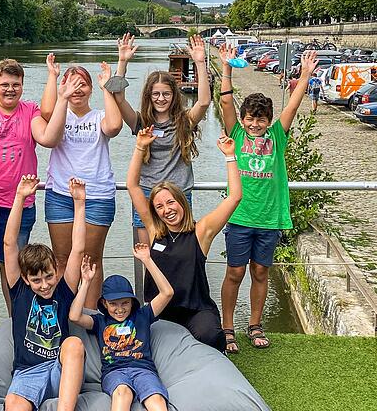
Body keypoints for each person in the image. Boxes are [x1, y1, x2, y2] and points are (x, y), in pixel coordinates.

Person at [0, 52, 78, 349]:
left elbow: (48, 138)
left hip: (18, 206)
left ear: (22, 86)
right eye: (5, 84)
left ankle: (18, 321)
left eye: (15, 84)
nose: (10, 89)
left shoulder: (30, 111)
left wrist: (61, 99)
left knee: (14, 269)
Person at [218, 49, 319, 353]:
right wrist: (226, 68)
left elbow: (294, 104)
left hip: (269, 217)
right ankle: (227, 328)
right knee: (234, 272)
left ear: (268, 121)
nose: (255, 125)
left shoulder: (277, 135)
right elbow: (225, 101)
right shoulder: (235, 131)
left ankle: (255, 324)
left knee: (260, 272)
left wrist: (304, 75)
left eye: (260, 120)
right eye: (250, 119)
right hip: (239, 216)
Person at [127, 126, 242, 351]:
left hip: (195, 310)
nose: (166, 210)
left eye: (170, 202)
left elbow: (235, 197)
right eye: (159, 206)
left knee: (210, 337)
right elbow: (132, 186)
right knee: (145, 346)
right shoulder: (154, 231)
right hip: (161, 309)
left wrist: (230, 156)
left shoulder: (201, 231)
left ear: (182, 202)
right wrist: (140, 147)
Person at [38, 55, 126, 310]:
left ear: (90, 89)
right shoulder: (59, 115)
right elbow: (45, 112)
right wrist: (54, 79)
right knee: (62, 259)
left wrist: (106, 87)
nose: (77, 89)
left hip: (96, 196)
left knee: (91, 259)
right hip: (60, 196)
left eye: (82, 84)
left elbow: (114, 126)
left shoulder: (99, 116)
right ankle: (64, 314)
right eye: (72, 84)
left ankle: (89, 317)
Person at [112, 33, 211, 252]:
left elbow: (204, 102)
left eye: (166, 94)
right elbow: (118, 97)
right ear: (148, 96)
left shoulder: (184, 122)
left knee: (179, 253)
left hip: (179, 194)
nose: (160, 98)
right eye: (155, 94)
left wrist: (200, 63)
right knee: (149, 254)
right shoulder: (140, 122)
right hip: (147, 193)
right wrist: (122, 62)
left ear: (174, 96)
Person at [3, 175, 86, 411]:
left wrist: (79, 202)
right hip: (27, 373)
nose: (45, 285)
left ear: (56, 272)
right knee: (14, 403)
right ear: (25, 279)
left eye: (49, 276)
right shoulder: (19, 291)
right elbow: (10, 244)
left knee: (73, 344)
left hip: (61, 372)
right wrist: (20, 197)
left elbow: (77, 249)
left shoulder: (63, 289)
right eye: (36, 280)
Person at [69, 243, 174, 411]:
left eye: (125, 303)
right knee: (122, 393)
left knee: (156, 399)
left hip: (143, 370)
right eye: (113, 304)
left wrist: (147, 260)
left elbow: (167, 293)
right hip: (114, 372)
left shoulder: (142, 315)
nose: (120, 309)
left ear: (132, 301)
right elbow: (74, 316)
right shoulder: (100, 321)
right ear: (104, 303)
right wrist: (86, 282)